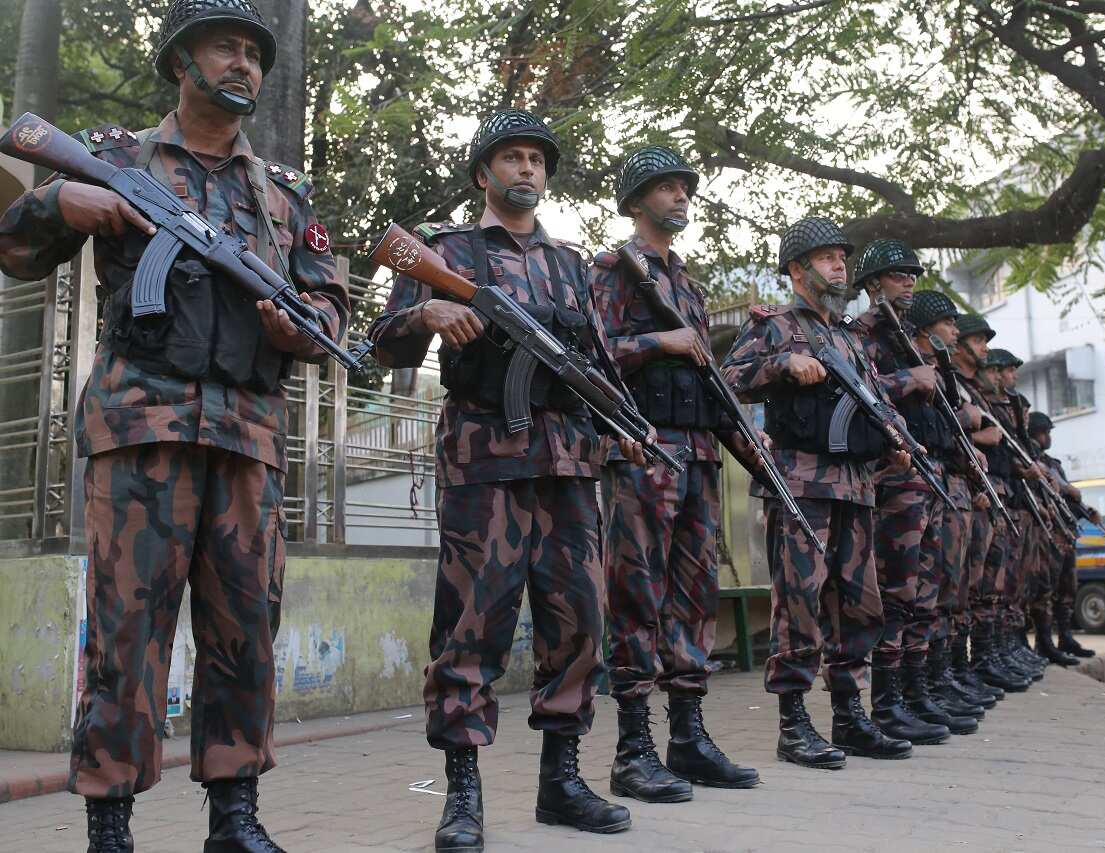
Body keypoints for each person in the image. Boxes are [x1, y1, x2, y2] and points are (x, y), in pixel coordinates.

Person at [0, 1, 350, 850]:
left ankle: (235, 815)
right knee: (127, 630)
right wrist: (60, 201)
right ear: (180, 60)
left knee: (246, 632)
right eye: (226, 47)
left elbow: (331, 302)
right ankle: (109, 823)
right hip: (140, 426)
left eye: (255, 54)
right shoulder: (116, 157)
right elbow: (12, 246)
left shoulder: (281, 194)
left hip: (248, 437)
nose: (245, 65)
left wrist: (304, 325)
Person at [367, 109, 637, 851]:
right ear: (483, 173)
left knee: (578, 619)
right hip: (485, 456)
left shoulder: (571, 264)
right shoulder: (445, 250)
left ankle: (562, 780)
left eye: (536, 160)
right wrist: (429, 307)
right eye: (511, 158)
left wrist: (628, 429)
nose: (526, 170)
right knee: (470, 623)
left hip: (568, 462)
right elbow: (382, 342)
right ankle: (461, 794)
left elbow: (599, 365)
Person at [589, 145, 761, 803]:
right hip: (645, 454)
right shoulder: (614, 271)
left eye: (684, 186)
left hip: (698, 456)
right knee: (636, 595)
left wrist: (748, 444)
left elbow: (708, 380)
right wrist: (660, 342)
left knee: (695, 597)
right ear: (636, 203)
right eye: (664, 187)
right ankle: (634, 750)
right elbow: (595, 356)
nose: (680, 195)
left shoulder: (684, 283)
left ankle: (687, 736)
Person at [721, 216, 912, 767]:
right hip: (800, 482)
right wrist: (781, 364)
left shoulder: (850, 335)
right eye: (827, 257)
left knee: (861, 604)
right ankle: (793, 723)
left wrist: (895, 440)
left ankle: (850, 716)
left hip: (857, 484)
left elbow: (876, 401)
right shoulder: (775, 325)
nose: (840, 265)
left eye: (841, 257)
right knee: (799, 602)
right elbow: (725, 381)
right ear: (797, 270)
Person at [851, 242, 979, 743]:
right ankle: (885, 702)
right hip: (890, 478)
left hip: (926, 478)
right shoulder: (859, 334)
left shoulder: (910, 339)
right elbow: (859, 388)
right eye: (897, 273)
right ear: (873, 283)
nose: (909, 280)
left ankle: (912, 690)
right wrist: (909, 379)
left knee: (925, 591)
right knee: (896, 592)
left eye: (912, 274)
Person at [903, 292, 1000, 712]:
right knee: (914, 592)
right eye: (949, 323)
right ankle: (910, 689)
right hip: (910, 483)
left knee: (951, 587)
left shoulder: (943, 373)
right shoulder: (895, 354)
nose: (957, 333)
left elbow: (946, 435)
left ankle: (941, 676)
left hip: (947, 482)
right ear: (925, 328)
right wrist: (964, 425)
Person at [949, 317, 1032, 695]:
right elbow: (946, 439)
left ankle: (986, 657)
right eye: (977, 340)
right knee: (959, 590)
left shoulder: (974, 392)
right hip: (966, 491)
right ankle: (950, 672)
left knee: (994, 586)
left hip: (991, 491)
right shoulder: (951, 382)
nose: (983, 347)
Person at [982, 349, 1050, 678]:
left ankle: (1007, 647)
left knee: (1011, 585)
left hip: (1010, 499)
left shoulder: (1001, 408)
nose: (1008, 377)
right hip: (987, 496)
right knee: (982, 588)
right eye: (1003, 371)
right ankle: (980, 661)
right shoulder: (976, 401)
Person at [1028, 412, 1097, 659]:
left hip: (1063, 533)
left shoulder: (1053, 463)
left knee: (1067, 587)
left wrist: (1086, 512)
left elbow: (1066, 501)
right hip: (1046, 533)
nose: (1048, 437)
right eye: (1045, 432)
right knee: (1046, 588)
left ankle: (1065, 637)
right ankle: (1045, 642)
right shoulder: (1031, 459)